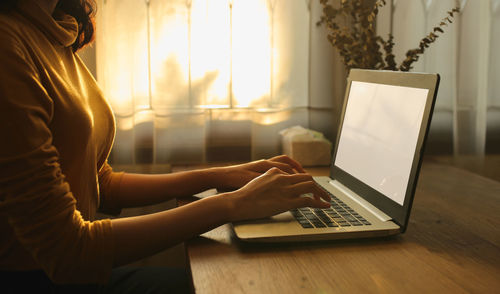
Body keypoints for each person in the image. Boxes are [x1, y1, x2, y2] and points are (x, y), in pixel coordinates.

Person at [0, 0, 330, 292]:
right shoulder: (9, 44)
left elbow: (99, 182)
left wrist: (219, 175)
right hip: (36, 280)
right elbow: (68, 253)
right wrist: (234, 204)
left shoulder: (55, 28)